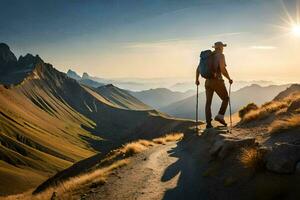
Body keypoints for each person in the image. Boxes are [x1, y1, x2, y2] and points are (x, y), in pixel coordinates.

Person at [195, 41, 233, 129]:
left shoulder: (207, 57)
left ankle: (208, 124)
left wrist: (196, 80)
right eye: (223, 47)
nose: (223, 49)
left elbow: (198, 69)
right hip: (217, 81)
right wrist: (229, 79)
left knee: (208, 103)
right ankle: (220, 116)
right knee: (226, 98)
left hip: (207, 82)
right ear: (220, 48)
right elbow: (223, 70)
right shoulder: (220, 56)